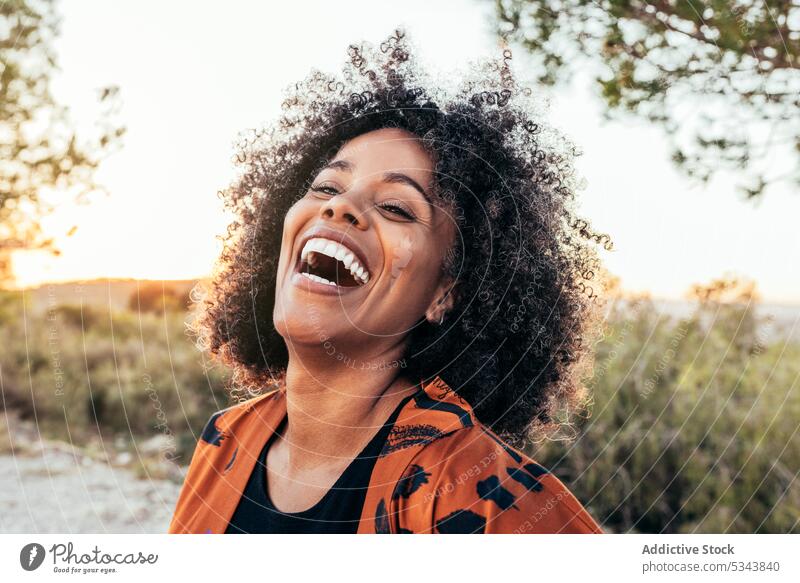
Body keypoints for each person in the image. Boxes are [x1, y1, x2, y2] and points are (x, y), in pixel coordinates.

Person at [169, 29, 611, 534]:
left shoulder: (487, 500)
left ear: (444, 292)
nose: (339, 206)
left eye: (397, 207)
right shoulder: (226, 440)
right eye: (326, 186)